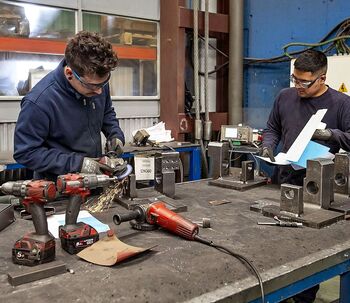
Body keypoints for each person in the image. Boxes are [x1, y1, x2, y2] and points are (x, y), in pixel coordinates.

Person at [261, 49, 350, 302]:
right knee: (275, 244)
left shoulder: (342, 104)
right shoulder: (284, 97)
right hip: (284, 180)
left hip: (318, 191)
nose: (298, 86)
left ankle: (302, 296)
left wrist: (331, 135)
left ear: (322, 78)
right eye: (294, 79)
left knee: (306, 252)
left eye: (304, 82)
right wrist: (268, 145)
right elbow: (272, 128)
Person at [14, 31, 125, 181]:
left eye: (103, 83)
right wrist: (78, 164)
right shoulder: (39, 102)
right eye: (93, 86)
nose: (99, 91)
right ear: (69, 73)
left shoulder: (96, 82)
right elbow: (26, 152)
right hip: (59, 189)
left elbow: (106, 112)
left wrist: (115, 134)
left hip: (95, 180)